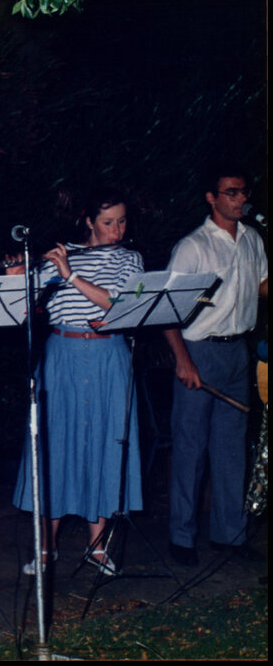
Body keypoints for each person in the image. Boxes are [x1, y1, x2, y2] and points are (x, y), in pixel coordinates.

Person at [12, 187, 144, 576]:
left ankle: (98, 548)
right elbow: (23, 305)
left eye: (121, 221)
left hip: (109, 357)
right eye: (107, 222)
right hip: (62, 355)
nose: (116, 230)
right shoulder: (59, 255)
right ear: (88, 221)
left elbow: (120, 304)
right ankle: (46, 550)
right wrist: (19, 274)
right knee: (53, 446)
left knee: (107, 442)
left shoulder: (130, 258)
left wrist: (71, 275)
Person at [163, 164, 268, 566]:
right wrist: (182, 360)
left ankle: (230, 535)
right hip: (199, 351)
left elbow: (259, 285)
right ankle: (182, 537)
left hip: (237, 352)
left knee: (230, 449)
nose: (241, 199)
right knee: (191, 446)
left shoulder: (252, 239)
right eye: (231, 192)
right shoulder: (192, 246)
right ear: (211, 197)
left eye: (243, 192)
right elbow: (167, 310)